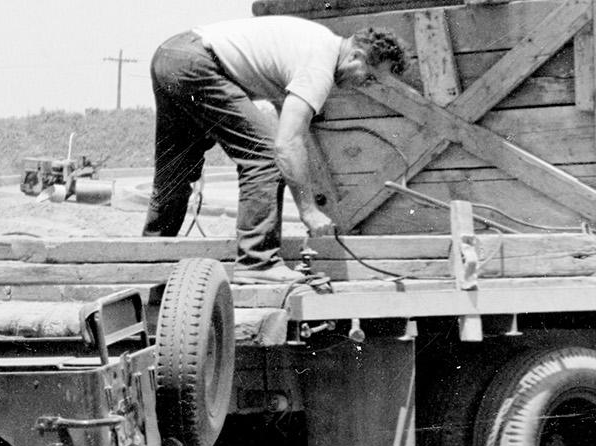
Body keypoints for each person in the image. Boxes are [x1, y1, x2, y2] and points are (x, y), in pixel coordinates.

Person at [142, 16, 406, 284]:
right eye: (370, 76)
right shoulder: (320, 65)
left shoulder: (318, 41)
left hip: (171, 55)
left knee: (173, 172)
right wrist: (309, 211)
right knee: (265, 156)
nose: (365, 84)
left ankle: (146, 261)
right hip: (197, 63)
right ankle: (257, 262)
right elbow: (287, 145)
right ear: (356, 56)